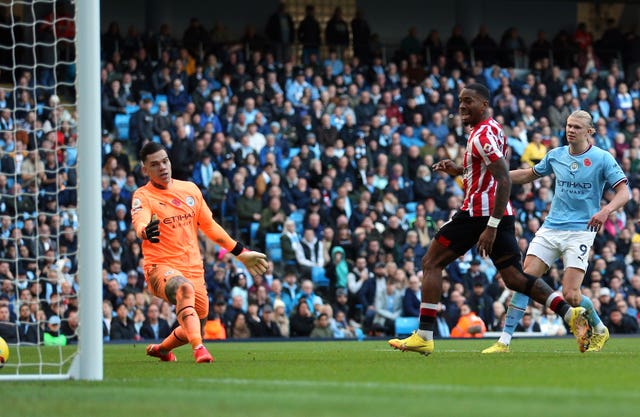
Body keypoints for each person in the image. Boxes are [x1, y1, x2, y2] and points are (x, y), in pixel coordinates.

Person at [388, 83, 589, 356]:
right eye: (460, 101)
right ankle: (569, 314)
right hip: (497, 212)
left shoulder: (481, 137)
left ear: (483, 104)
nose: (461, 106)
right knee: (515, 278)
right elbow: (485, 170)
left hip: (478, 214)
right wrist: (459, 170)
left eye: (468, 101)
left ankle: (424, 335)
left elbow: (503, 178)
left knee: (431, 262)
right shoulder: (492, 128)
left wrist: (490, 227)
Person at [482, 110, 629, 353]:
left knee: (571, 295)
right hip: (551, 228)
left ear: (589, 132)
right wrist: (498, 176)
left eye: (577, 127)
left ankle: (599, 329)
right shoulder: (556, 155)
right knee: (524, 280)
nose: (571, 130)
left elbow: (625, 192)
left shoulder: (602, 158)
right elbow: (529, 174)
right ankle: (504, 341)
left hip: (581, 231)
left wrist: (606, 211)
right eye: (569, 126)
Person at [133, 142, 268, 363]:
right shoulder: (143, 195)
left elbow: (210, 227)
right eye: (154, 165)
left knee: (196, 325)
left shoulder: (190, 189)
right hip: (160, 267)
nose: (163, 167)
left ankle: (162, 349)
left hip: (194, 269)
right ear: (145, 170)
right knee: (183, 289)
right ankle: (200, 350)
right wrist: (144, 231)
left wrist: (241, 252)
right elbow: (140, 221)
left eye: (165, 161)